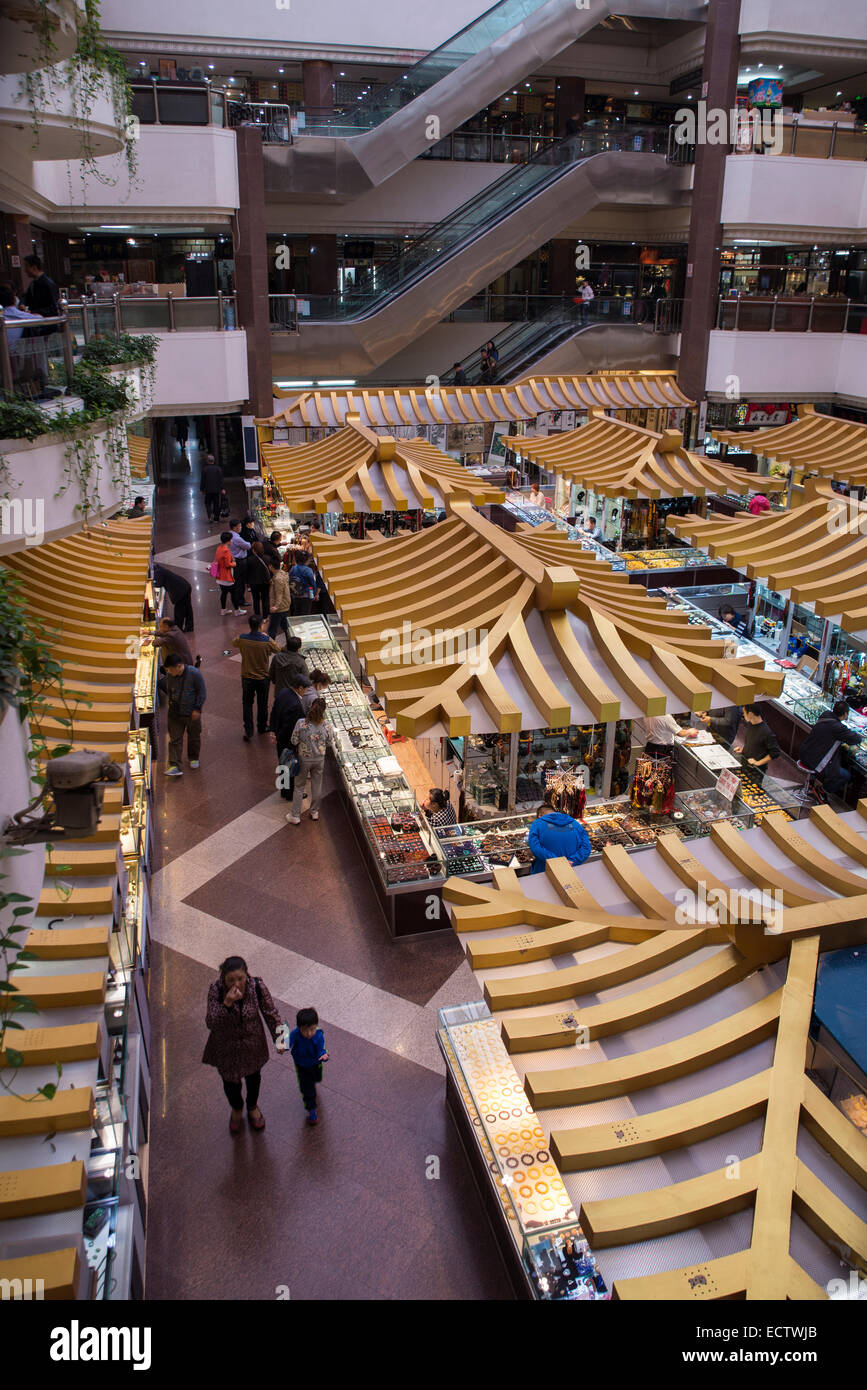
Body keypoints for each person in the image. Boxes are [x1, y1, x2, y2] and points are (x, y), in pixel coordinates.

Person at [202, 955, 284, 1134]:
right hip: (226, 1048)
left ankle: (252, 1106)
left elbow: (271, 1012)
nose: (236, 984)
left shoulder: (256, 987)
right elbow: (211, 1022)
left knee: (254, 1078)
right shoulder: (216, 991)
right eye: (231, 980)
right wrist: (227, 1004)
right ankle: (237, 1108)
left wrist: (280, 1038)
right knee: (231, 1084)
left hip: (252, 1045)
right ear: (224, 979)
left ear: (246, 975)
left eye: (240, 979)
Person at [797, 699, 861, 798]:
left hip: (805, 753)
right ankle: (822, 791)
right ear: (845, 714)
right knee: (845, 775)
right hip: (815, 761)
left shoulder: (825, 715)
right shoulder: (838, 728)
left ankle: (811, 783)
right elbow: (856, 739)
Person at [287, 697, 334, 824]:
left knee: (299, 786)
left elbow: (294, 740)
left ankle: (295, 815)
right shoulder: (327, 726)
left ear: (311, 707)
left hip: (304, 759)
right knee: (317, 785)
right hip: (319, 759)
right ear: (324, 711)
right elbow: (329, 743)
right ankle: (314, 811)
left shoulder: (301, 723)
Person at [233, 615, 280, 741]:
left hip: (247, 677)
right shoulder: (266, 640)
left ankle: (248, 730)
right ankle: (262, 726)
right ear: (260, 626)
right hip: (263, 677)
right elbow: (278, 649)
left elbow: (234, 642)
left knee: (247, 704)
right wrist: (267, 637)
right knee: (262, 704)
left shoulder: (243, 638)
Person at [160, 654, 206, 775]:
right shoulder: (170, 675)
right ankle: (174, 765)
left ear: (179, 666)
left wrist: (197, 709)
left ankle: (193, 757)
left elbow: (202, 692)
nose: (169, 672)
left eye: (170, 669)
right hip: (175, 713)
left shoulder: (194, 674)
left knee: (194, 736)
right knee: (174, 739)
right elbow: (169, 691)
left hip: (191, 712)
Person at [528, 790, 592, 875]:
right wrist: (572, 861)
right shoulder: (575, 823)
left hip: (544, 872)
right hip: (572, 871)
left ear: (539, 815)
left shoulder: (537, 823)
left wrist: (557, 861)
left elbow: (535, 848)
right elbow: (586, 848)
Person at [270, 676, 310, 802]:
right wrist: (293, 744)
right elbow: (290, 728)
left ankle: (283, 790)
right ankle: (289, 794)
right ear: (299, 688)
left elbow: (274, 711)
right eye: (305, 689)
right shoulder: (295, 705)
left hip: (279, 737)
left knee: (282, 764)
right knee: (290, 766)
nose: (306, 692)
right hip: (287, 741)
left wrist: (273, 731)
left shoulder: (283, 692)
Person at [288, 1006, 329, 1126]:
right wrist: (283, 1047)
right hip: (302, 1065)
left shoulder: (318, 1035)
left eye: (312, 1029)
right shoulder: (295, 1034)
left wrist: (324, 1055)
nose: (309, 1033)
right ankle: (312, 1113)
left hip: (315, 1063)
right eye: (305, 1030)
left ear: (316, 1026)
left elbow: (321, 1049)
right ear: (299, 1027)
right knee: (307, 1090)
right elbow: (288, 1044)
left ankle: (314, 1082)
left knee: (317, 1078)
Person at [738, 703, 780, 778]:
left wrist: (758, 763)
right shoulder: (751, 724)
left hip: (755, 770)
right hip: (745, 762)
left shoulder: (766, 732)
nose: (743, 715)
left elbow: (775, 752)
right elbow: (754, 743)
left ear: (750, 714)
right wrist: (743, 750)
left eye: (744, 712)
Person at [153, 561, 195, 633]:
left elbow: (158, 584)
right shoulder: (159, 569)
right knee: (188, 608)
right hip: (185, 586)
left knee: (179, 611)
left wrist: (153, 583)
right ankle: (189, 627)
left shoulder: (158, 572)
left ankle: (178, 630)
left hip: (180, 591)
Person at [214, 531, 246, 614]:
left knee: (224, 593)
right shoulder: (226, 551)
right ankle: (237, 610)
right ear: (228, 541)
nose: (232, 541)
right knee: (234, 593)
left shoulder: (219, 548)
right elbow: (228, 564)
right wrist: (234, 564)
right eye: (231, 540)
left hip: (220, 575)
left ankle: (223, 610)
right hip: (227, 576)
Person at [21, 253, 60, 319]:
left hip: (47, 323)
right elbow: (26, 297)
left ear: (34, 268)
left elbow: (53, 307)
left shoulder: (47, 284)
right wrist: (22, 304)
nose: (25, 270)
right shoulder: (33, 283)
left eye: (26, 266)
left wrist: (32, 312)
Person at [228, 519, 251, 611]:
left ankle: (238, 599)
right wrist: (249, 543)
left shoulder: (230, 535)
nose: (241, 528)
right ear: (234, 527)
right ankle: (239, 600)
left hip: (234, 560)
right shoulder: (236, 538)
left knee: (237, 581)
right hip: (239, 561)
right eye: (239, 526)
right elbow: (248, 546)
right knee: (240, 582)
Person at [267, 558, 292, 641]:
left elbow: (279, 594)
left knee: (272, 629)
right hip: (285, 604)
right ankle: (289, 642)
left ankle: (271, 647)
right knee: (285, 626)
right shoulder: (283, 573)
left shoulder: (277, 578)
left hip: (280, 607)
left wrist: (276, 606)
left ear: (271, 566)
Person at [288, 550, 318, 616]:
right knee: (305, 614)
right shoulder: (308, 570)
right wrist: (314, 594)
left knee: (297, 612)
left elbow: (289, 580)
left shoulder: (293, 568)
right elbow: (312, 584)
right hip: (306, 595)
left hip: (295, 594)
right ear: (307, 560)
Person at [246, 541, 272, 618]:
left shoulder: (249, 559)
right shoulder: (268, 558)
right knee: (265, 599)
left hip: (254, 583)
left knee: (255, 599)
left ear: (254, 550)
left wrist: (247, 582)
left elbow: (247, 572)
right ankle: (265, 616)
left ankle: (257, 615)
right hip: (265, 582)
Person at [200, 454, 224, 523]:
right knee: (216, 503)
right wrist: (222, 488)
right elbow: (221, 479)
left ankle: (210, 515)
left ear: (207, 461)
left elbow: (203, 480)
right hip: (217, 490)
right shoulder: (218, 469)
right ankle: (216, 518)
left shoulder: (204, 469)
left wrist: (202, 489)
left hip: (208, 490)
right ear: (213, 461)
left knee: (208, 503)